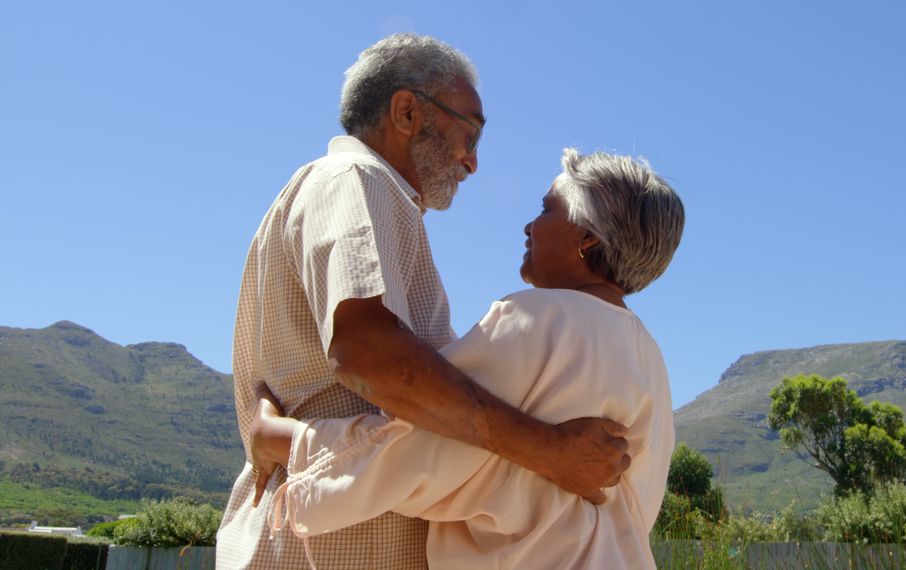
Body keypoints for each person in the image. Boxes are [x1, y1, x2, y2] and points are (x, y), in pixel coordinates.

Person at [216, 35, 630, 569]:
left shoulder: (381, 202)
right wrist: (550, 451)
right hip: (326, 546)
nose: (474, 162)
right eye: (471, 133)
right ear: (407, 111)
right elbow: (368, 352)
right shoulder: (356, 181)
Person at [252, 148, 686, 569]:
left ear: (586, 236)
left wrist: (281, 439)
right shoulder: (649, 358)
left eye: (546, 209)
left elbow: (423, 453)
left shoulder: (538, 320)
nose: (529, 226)